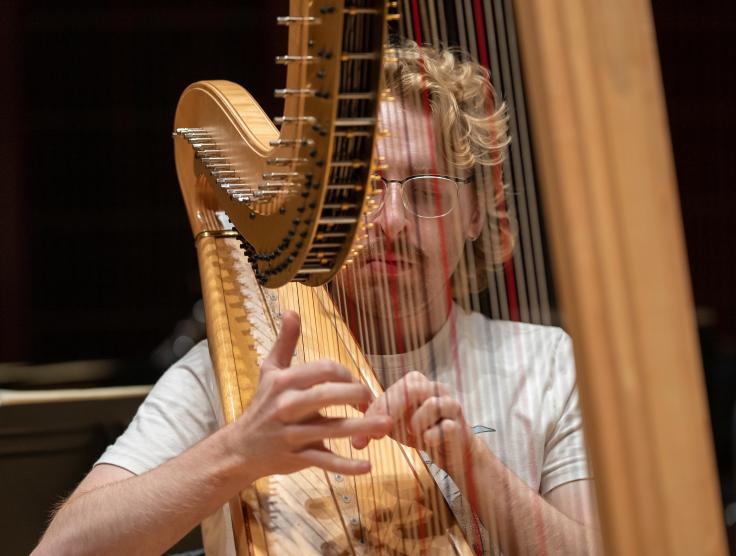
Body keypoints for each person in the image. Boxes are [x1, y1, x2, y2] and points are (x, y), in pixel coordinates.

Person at [34, 43, 599, 555]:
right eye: (366, 192)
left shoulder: (546, 364)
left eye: (426, 191)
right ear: (321, 208)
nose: (394, 221)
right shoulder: (245, 373)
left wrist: (475, 467)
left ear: (477, 213)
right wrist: (238, 451)